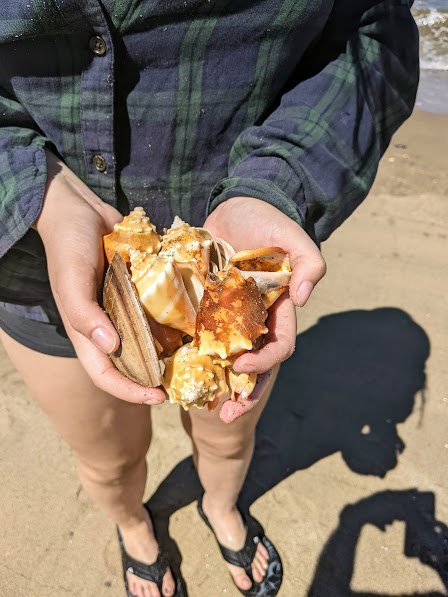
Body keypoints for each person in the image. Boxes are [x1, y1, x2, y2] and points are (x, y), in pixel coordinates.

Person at [0, 1, 418, 596]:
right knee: (109, 460)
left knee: (228, 436)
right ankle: (134, 526)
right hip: (36, 268)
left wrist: (277, 182)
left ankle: (220, 507)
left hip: (228, 260)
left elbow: (374, 34)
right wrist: (37, 189)